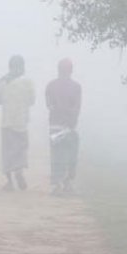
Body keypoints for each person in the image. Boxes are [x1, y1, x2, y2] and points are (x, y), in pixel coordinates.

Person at [0, 55, 35, 191]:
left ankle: (9, 182)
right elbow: (32, 101)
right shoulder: (28, 82)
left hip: (7, 122)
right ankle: (19, 171)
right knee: (20, 149)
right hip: (21, 122)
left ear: (9, 66)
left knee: (7, 152)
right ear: (23, 66)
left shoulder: (3, 81)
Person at [46, 58, 82, 195]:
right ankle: (67, 183)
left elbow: (49, 106)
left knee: (56, 155)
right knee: (70, 155)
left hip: (55, 126)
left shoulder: (50, 86)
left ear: (58, 70)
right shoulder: (76, 87)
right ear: (71, 70)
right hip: (69, 126)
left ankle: (57, 185)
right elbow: (77, 108)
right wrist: (72, 120)